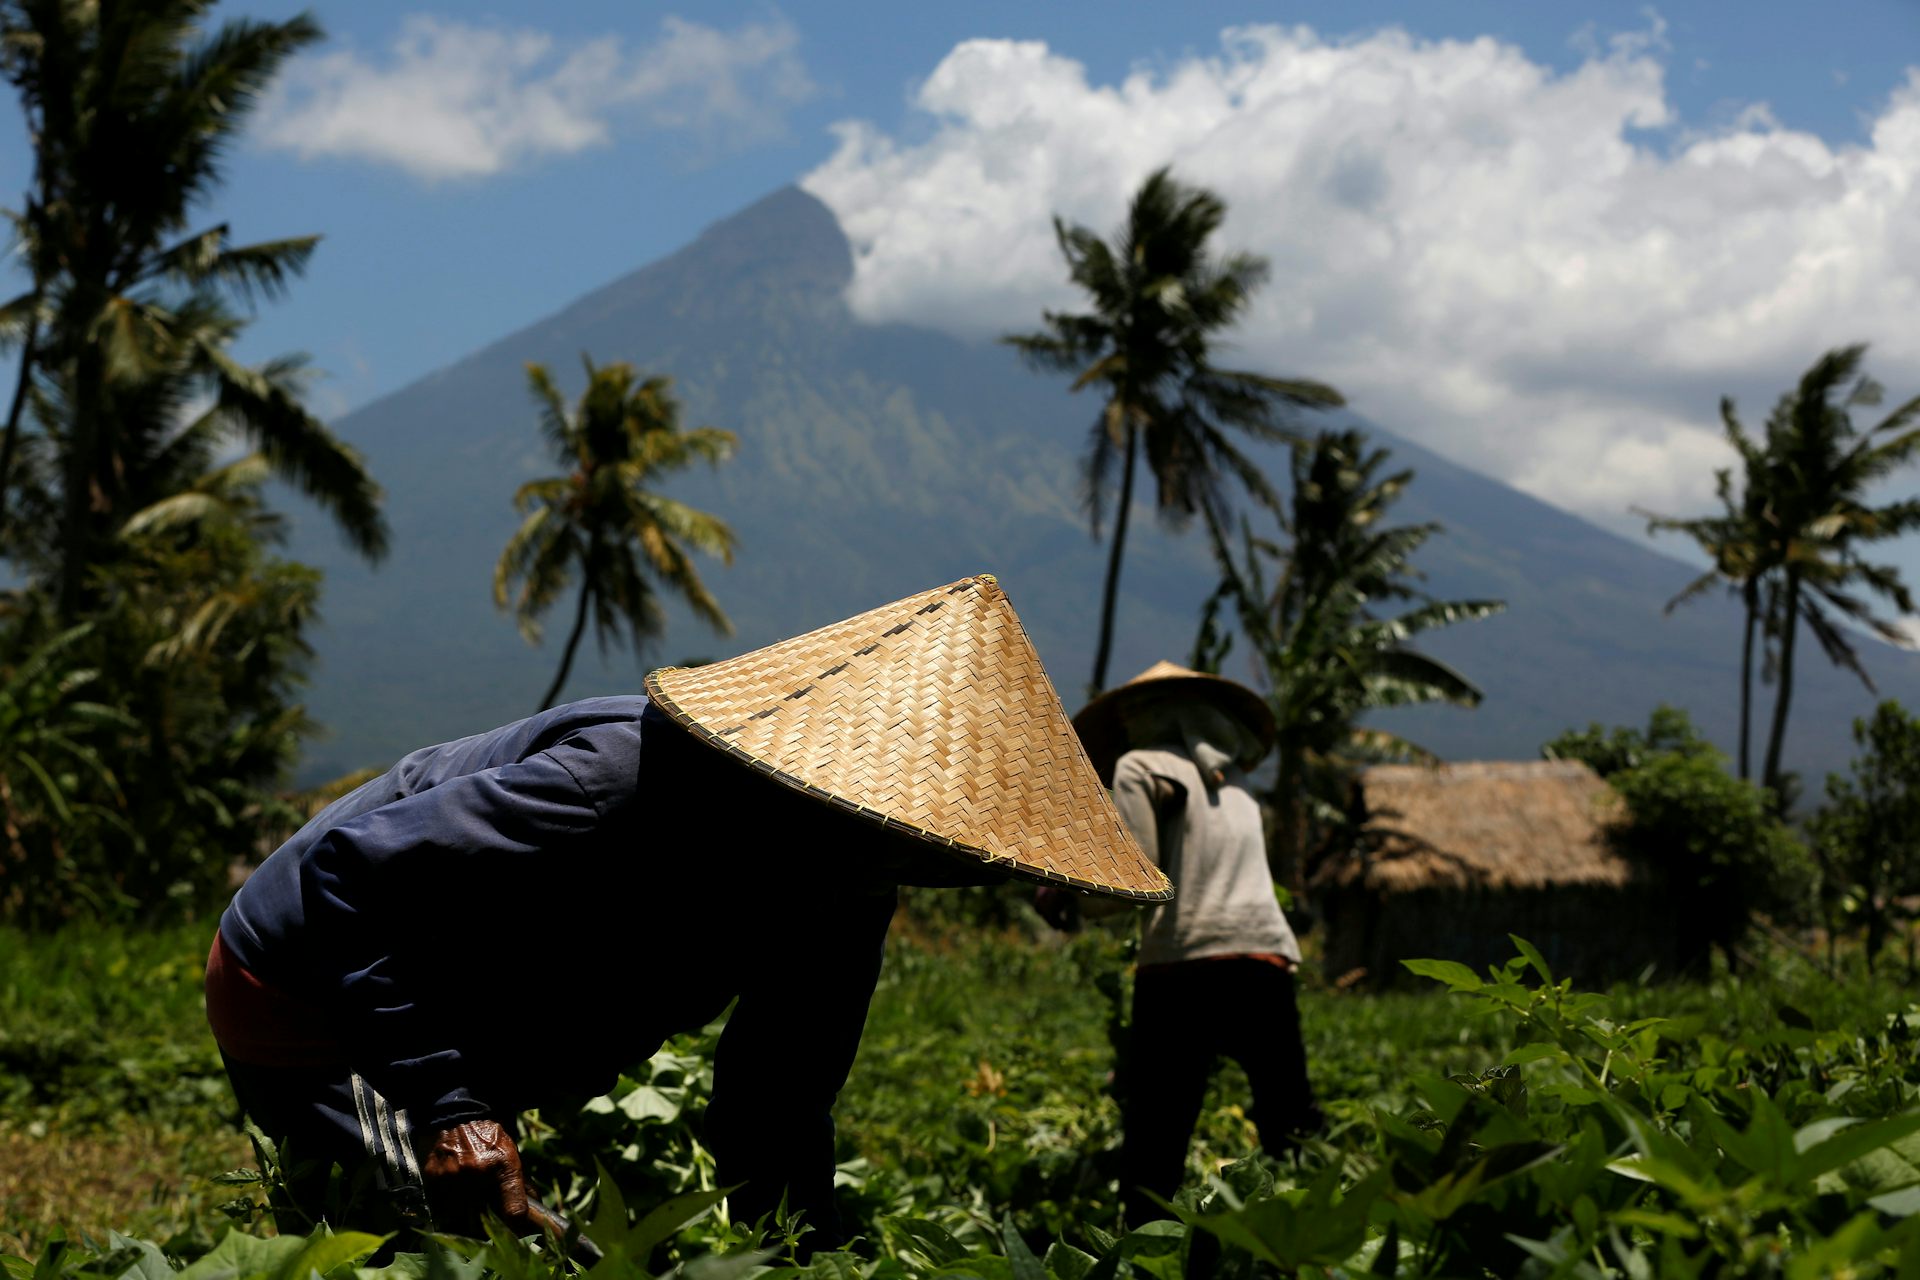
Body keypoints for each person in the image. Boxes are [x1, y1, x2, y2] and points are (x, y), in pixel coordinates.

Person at [204, 576, 1165, 1249]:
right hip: (309, 985)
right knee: (408, 1250)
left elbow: (776, 1098)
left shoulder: (852, 883)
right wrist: (452, 1110)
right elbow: (349, 880)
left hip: (471, 1003)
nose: (941, 866)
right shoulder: (625, 780)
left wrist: (798, 1252)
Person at [1049, 660, 1322, 1225]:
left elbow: (1137, 886)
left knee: (1157, 1133)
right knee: (1288, 1117)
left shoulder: (1139, 765)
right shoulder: (1239, 784)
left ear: (1150, 714)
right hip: (1264, 958)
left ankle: (1145, 1249)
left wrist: (1067, 899)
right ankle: (1309, 1235)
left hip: (1182, 966)